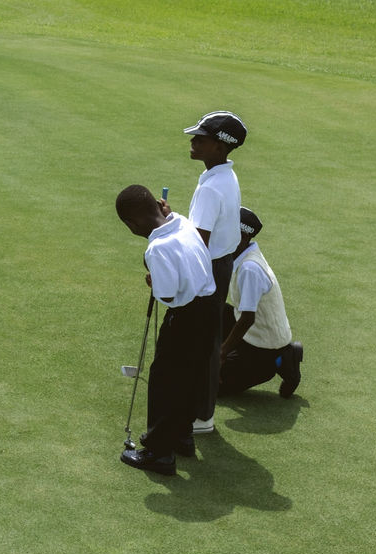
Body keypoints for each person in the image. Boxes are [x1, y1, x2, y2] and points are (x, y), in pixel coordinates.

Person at [115, 184, 219, 475]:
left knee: (165, 381)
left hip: (186, 317)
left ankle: (160, 453)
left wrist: (154, 282)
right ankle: (182, 438)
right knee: (190, 377)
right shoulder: (183, 222)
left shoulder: (157, 248)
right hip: (209, 309)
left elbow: (168, 296)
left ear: (132, 224)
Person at [183, 110, 247, 434]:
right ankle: (203, 413)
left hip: (208, 269)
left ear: (220, 147)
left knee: (197, 342)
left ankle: (198, 416)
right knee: (207, 341)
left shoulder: (211, 188)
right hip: (221, 265)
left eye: (201, 139)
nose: (193, 141)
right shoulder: (225, 176)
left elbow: (198, 243)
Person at [219, 207, 303, 398]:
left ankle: (282, 361)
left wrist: (222, 354)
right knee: (212, 309)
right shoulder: (241, 254)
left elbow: (248, 319)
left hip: (263, 347)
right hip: (252, 332)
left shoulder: (250, 269)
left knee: (210, 386)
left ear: (241, 236)